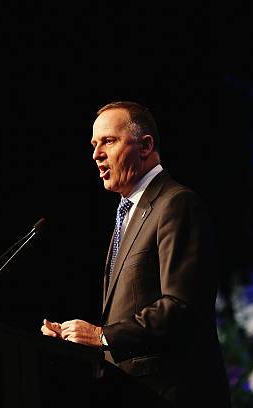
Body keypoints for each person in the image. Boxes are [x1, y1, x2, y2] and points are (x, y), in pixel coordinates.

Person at [41, 101, 230, 407]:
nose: (96, 154)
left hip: (173, 393)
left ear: (145, 146)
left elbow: (182, 307)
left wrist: (102, 336)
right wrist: (73, 338)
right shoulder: (127, 212)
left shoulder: (176, 204)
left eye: (109, 141)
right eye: (94, 144)